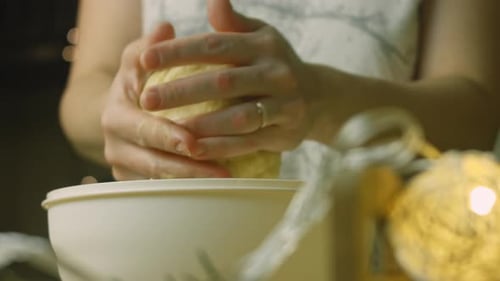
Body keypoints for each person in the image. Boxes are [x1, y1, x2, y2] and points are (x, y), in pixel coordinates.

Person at [59, 0, 499, 181]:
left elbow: (475, 114)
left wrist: (322, 100)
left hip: (367, 253)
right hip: (173, 250)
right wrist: (121, 114)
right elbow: (85, 92)